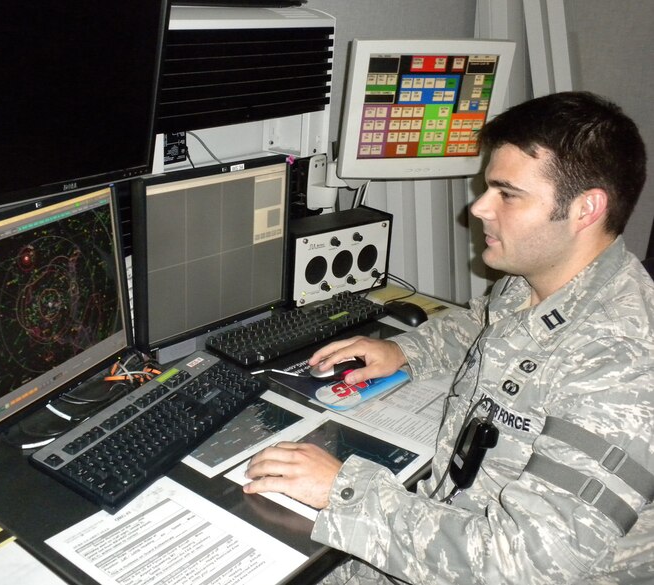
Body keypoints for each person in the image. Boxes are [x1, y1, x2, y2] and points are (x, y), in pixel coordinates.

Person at [242, 91, 654, 584]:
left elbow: (528, 566)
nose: (478, 208)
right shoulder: (535, 280)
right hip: (446, 519)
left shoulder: (623, 360)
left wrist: (343, 491)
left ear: (586, 209)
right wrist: (403, 349)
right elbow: (484, 323)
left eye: (507, 193)